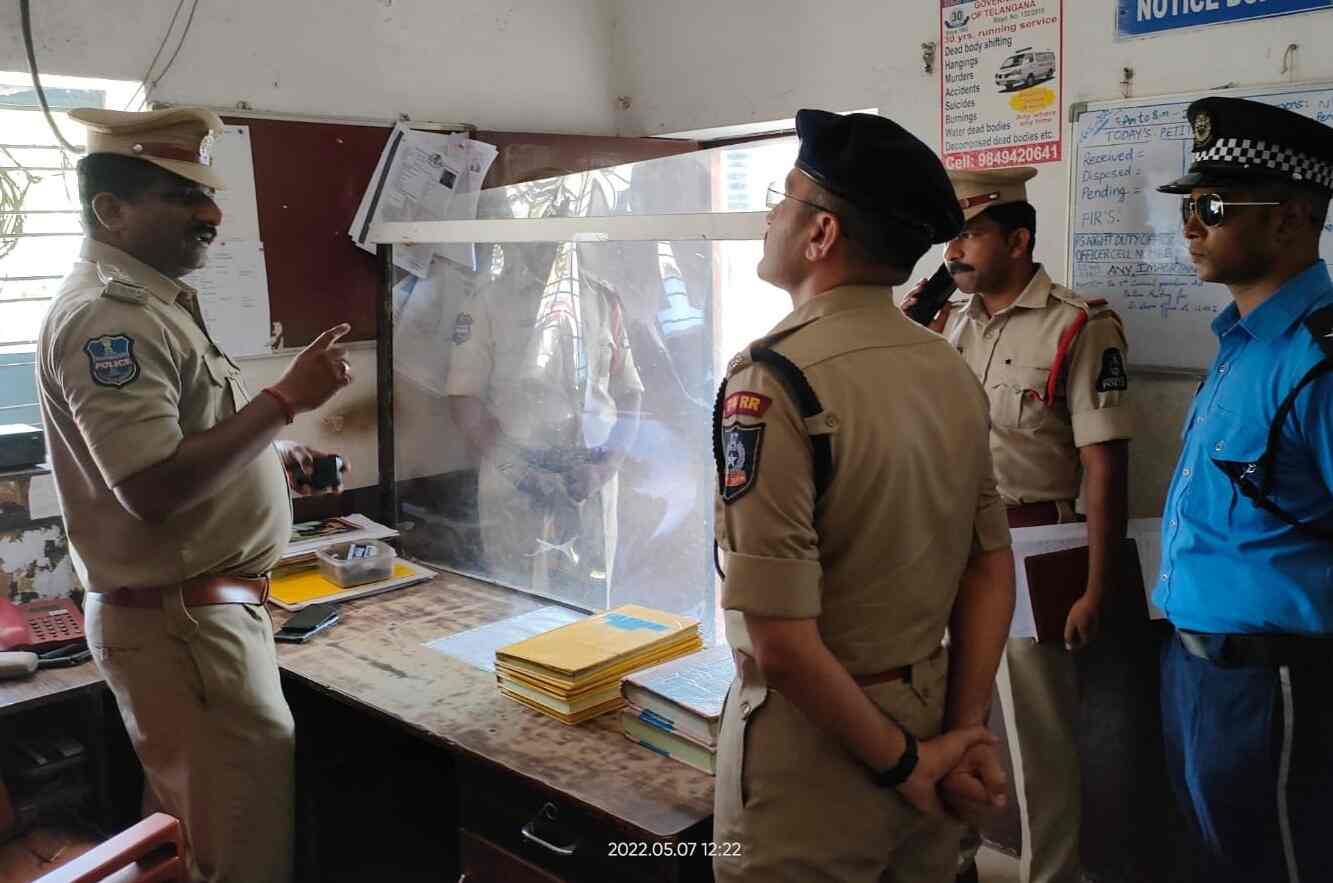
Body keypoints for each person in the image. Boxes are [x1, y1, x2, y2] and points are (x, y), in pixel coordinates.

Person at [36, 107, 353, 883]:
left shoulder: (156, 304)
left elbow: (181, 440)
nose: (210, 214)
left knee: (201, 843)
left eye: (206, 195)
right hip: (184, 632)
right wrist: (284, 400)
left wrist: (272, 457)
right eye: (181, 198)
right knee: (243, 860)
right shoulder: (110, 318)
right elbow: (148, 487)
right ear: (111, 210)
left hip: (195, 623)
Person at [712, 108, 1015, 883]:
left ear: (819, 235)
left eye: (782, 199)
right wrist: (959, 734)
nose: (769, 216)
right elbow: (987, 567)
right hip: (931, 714)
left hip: (820, 750)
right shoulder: (945, 365)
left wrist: (904, 764)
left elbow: (780, 641)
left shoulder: (772, 379)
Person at [905, 167, 1133, 883]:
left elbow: (1103, 464)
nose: (953, 251)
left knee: (1034, 740)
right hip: (948, 550)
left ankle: (1055, 873)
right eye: (951, 236)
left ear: (1018, 238)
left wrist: (1096, 585)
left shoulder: (1077, 324)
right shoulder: (945, 325)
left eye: (969, 235)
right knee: (950, 728)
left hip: (1034, 550)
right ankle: (957, 863)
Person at [1152, 96, 1333, 882]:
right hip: (1194, 668)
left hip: (1278, 685)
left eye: (1215, 205)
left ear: (1291, 218)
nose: (1192, 223)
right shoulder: (1238, 344)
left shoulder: (1318, 360)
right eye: (1190, 203)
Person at [447, 239, 643, 610]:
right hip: (516, 482)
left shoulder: (601, 297)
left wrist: (605, 469)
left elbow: (630, 394)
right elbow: (464, 401)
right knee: (513, 615)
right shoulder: (489, 300)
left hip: (589, 484)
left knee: (591, 615)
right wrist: (519, 471)